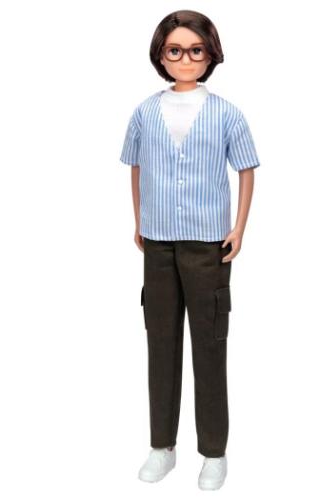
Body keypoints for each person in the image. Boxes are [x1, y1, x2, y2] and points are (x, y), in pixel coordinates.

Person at [119, 9, 260, 490]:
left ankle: (214, 452)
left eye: (195, 50)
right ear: (161, 55)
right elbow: (136, 167)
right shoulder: (144, 112)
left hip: (208, 246)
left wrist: (239, 228)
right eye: (175, 50)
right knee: (160, 343)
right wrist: (139, 219)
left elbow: (246, 169)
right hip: (157, 244)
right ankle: (162, 446)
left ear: (210, 54)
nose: (185, 59)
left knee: (209, 345)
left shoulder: (226, 113)